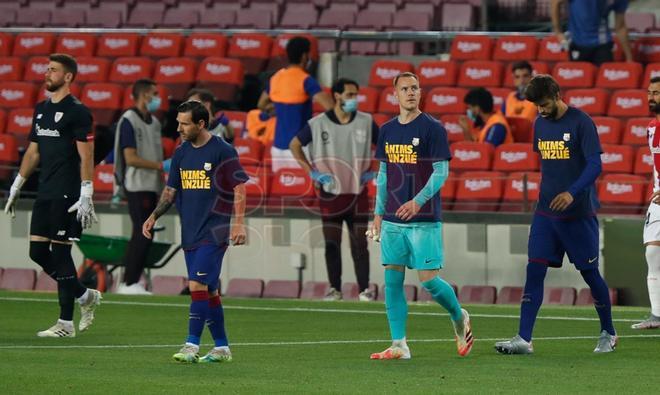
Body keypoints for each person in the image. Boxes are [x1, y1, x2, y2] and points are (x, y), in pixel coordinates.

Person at [495, 75, 617, 355]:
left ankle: (608, 332)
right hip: (546, 214)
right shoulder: (539, 124)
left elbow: (595, 164)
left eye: (545, 104)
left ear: (558, 95)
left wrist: (572, 192)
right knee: (534, 269)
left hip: (578, 215)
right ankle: (524, 339)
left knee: (589, 273)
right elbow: (549, 166)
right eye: (537, 106)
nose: (541, 110)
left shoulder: (581, 122)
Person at [367, 72, 473, 360]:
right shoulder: (387, 130)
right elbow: (384, 174)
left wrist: (417, 201)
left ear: (420, 92)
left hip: (423, 217)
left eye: (415, 88)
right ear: (395, 95)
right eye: (405, 89)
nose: (411, 92)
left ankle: (458, 314)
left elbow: (442, 171)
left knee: (428, 281)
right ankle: (399, 344)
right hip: (391, 219)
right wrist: (378, 214)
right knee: (392, 280)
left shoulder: (432, 129)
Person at [142, 100, 248, 363]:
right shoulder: (181, 153)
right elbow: (171, 191)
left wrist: (238, 223)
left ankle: (191, 344)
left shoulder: (222, 150)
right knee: (209, 289)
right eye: (178, 122)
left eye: (184, 123)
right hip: (190, 230)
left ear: (201, 124)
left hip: (215, 230)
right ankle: (222, 347)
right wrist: (154, 215)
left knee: (197, 284)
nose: (179, 128)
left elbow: (239, 187)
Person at [3, 53, 101, 337]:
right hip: (45, 190)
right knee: (37, 252)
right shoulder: (41, 109)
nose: (47, 73)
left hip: (67, 192)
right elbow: (33, 151)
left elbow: (87, 155)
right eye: (47, 69)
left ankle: (65, 324)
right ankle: (84, 296)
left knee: (60, 253)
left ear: (68, 77)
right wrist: (17, 184)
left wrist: (86, 191)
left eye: (53, 70)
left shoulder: (78, 112)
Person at [290, 78, 379, 302]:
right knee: (331, 244)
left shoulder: (367, 121)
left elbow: (386, 146)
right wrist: (311, 171)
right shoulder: (317, 123)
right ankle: (334, 289)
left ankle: (364, 290)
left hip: (357, 192)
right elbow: (294, 145)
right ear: (337, 96)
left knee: (360, 243)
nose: (354, 99)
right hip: (330, 194)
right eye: (349, 94)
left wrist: (375, 169)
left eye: (355, 94)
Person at [113, 78, 165, 295]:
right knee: (141, 232)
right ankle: (128, 282)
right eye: (154, 93)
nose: (158, 98)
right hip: (137, 184)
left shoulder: (155, 123)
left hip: (152, 185)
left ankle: (132, 281)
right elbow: (130, 158)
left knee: (147, 233)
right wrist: (160, 165)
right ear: (145, 95)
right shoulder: (128, 120)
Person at [257, 36, 334, 173]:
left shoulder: (276, 77)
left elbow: (261, 104)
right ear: (305, 56)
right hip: (299, 148)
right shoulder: (306, 80)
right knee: (305, 191)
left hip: (278, 148)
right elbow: (331, 107)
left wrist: (280, 108)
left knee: (281, 191)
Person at [633, 76, 660, 330]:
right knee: (652, 253)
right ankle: (657, 315)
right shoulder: (651, 128)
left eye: (657, 93)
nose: (652, 97)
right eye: (650, 92)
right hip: (658, 200)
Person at [551, 0, 633, 65]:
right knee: (578, 84)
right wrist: (558, 31)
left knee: (604, 83)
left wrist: (629, 59)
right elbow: (555, 1)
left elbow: (620, 27)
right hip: (578, 44)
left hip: (603, 45)